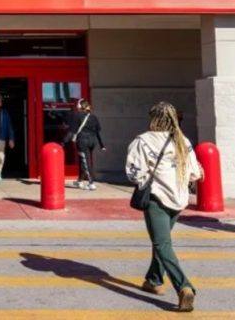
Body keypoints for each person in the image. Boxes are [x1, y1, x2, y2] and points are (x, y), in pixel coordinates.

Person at [125, 101, 203, 313]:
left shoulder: (143, 141)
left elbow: (133, 172)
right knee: (162, 241)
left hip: (157, 198)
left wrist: (145, 181)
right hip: (179, 198)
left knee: (161, 244)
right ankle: (153, 279)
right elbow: (196, 172)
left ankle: (183, 286)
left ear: (153, 118)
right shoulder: (182, 140)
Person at [63, 98, 106, 190]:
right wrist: (102, 145)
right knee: (83, 160)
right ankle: (80, 181)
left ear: (79, 106)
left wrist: (63, 142)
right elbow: (97, 132)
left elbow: (72, 131)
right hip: (92, 141)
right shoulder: (93, 117)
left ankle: (91, 183)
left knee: (85, 162)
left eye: (78, 104)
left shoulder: (77, 116)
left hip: (82, 141)